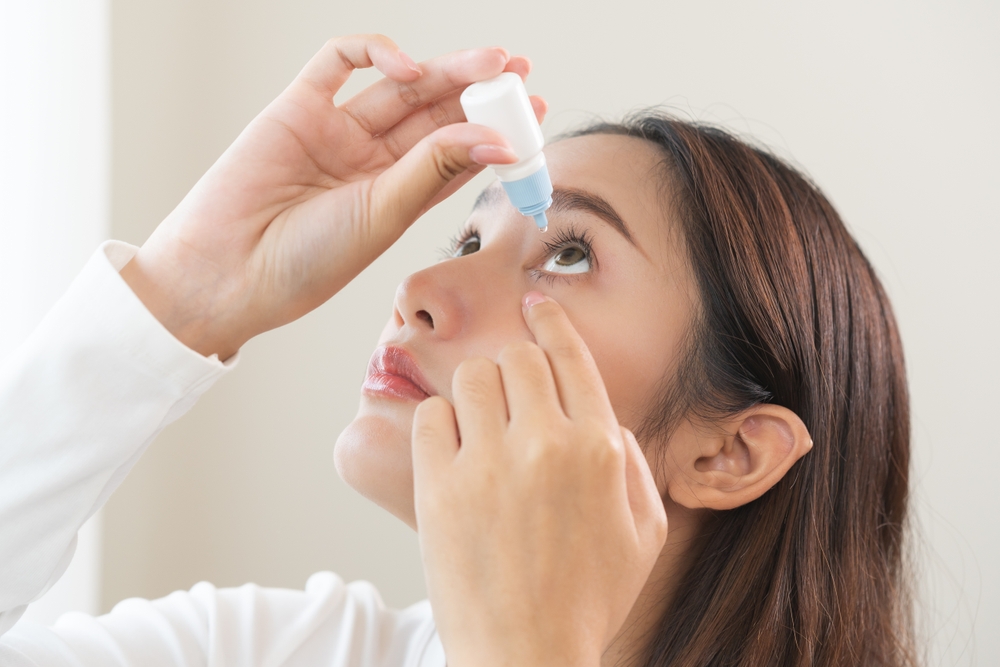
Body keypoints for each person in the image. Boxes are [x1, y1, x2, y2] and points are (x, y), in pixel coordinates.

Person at [0, 33, 917, 667]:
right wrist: (187, 292)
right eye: (467, 240)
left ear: (729, 452)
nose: (420, 289)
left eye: (569, 254)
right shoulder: (275, 647)